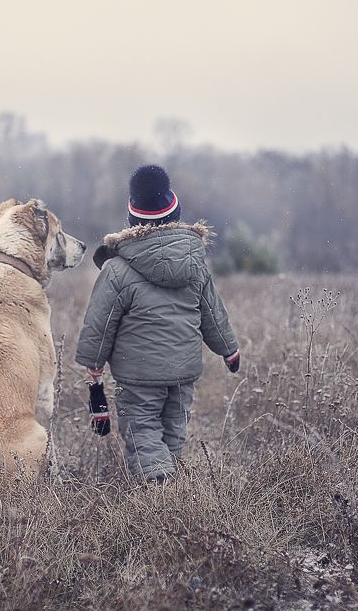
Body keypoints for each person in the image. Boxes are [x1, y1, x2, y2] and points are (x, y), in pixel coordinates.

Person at [75, 164, 241, 482]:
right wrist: (229, 350)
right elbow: (213, 313)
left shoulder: (117, 270)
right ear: (175, 215)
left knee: (143, 431)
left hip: (138, 374)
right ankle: (170, 485)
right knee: (173, 430)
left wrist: (93, 364)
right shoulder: (196, 265)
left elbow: (100, 321)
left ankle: (159, 487)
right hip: (183, 370)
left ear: (133, 220)